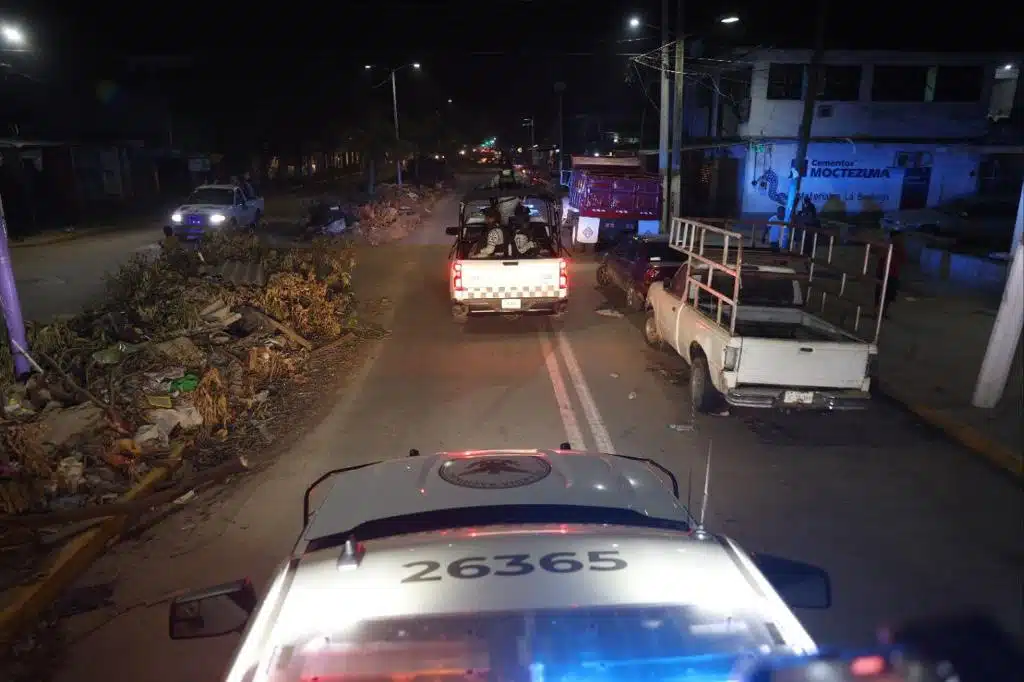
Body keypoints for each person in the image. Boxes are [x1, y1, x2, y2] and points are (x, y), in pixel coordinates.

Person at [874, 232, 906, 318]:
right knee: (880, 293)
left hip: (893, 274)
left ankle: (883, 312)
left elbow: (903, 260)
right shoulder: (886, 246)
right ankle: (877, 311)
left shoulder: (900, 248)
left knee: (889, 295)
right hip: (884, 272)